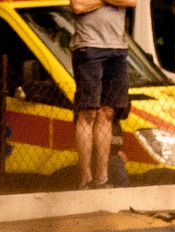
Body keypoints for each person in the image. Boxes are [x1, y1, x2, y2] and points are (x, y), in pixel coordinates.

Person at [71, 0, 136, 190]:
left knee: (107, 112)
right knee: (88, 112)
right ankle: (85, 178)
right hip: (88, 46)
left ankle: (102, 178)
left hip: (117, 48)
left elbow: (131, 1)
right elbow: (78, 6)